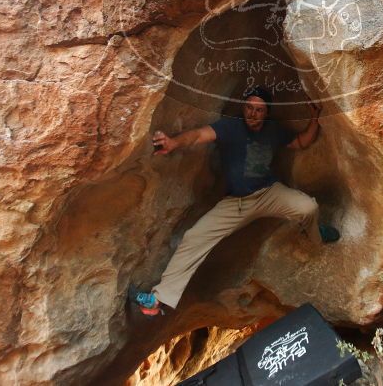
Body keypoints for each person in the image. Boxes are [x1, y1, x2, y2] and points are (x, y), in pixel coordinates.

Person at [131, 86, 340, 316]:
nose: (252, 114)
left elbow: (301, 142)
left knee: (309, 207)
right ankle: (158, 299)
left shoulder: (273, 131)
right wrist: (173, 143)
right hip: (237, 203)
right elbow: (199, 135)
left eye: (258, 110)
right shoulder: (231, 127)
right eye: (249, 107)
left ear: (266, 112)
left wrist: (315, 118)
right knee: (194, 237)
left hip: (269, 193)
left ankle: (315, 235)